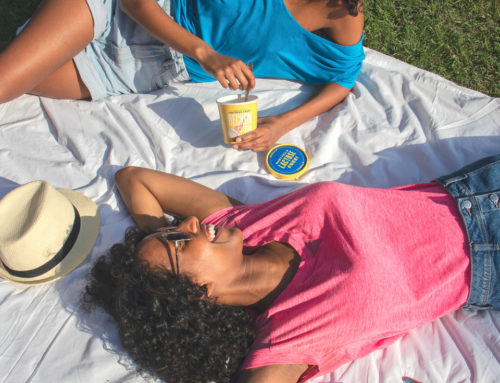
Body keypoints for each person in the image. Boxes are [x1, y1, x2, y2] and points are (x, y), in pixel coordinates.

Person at [84, 153, 500, 382]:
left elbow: (133, 178)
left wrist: (155, 238)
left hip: (474, 188)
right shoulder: (285, 340)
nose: (188, 224)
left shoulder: (234, 223)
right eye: (179, 242)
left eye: (177, 230)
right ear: (196, 295)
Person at [0, 0, 365, 151]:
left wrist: (284, 123)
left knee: (21, 68)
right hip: (131, 10)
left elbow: (345, 76)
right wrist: (205, 54)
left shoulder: (341, 10)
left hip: (142, 70)